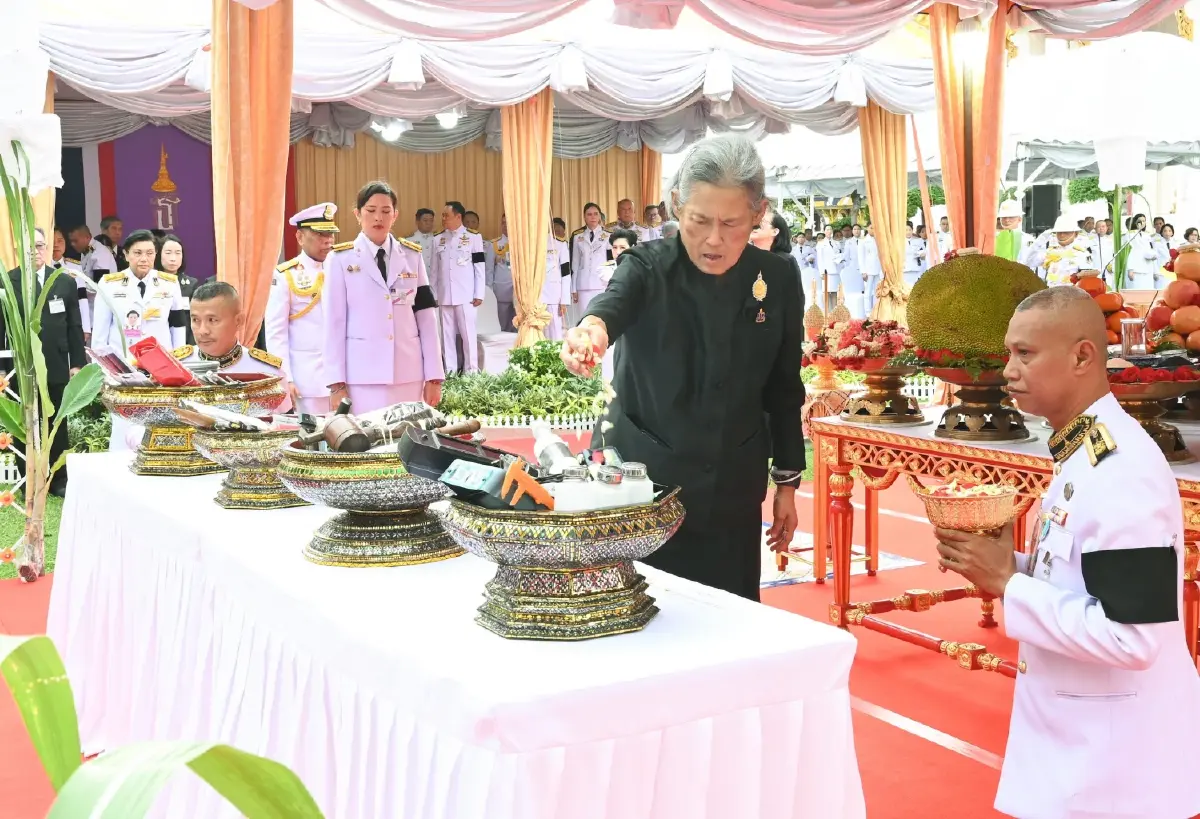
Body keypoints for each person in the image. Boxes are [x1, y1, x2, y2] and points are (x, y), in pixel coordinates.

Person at [934, 286, 1200, 819]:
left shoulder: (1119, 468)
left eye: (1025, 354)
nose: (1008, 370)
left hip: (1116, 766)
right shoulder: (1084, 449)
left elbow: (1133, 637)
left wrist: (1009, 584)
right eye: (1009, 353)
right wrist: (1007, 566)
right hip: (1085, 746)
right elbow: (1081, 577)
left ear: (1082, 357)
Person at [560, 134, 805, 601]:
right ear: (676, 204)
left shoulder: (774, 277)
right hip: (641, 487)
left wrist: (787, 484)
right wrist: (590, 333)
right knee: (641, 614)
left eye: (731, 223)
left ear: (758, 213)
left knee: (729, 616)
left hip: (731, 487)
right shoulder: (646, 266)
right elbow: (609, 308)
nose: (714, 239)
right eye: (699, 220)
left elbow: (783, 385)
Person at [323, 181, 444, 414]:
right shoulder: (340, 259)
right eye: (371, 210)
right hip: (362, 377)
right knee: (366, 436)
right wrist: (336, 384)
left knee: (407, 435)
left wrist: (434, 377)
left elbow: (427, 318)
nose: (378, 217)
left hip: (408, 374)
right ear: (357, 214)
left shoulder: (411, 256)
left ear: (395, 215)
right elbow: (333, 324)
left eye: (386, 211)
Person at [3, 228, 86, 497]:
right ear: (19, 249)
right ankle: (28, 480)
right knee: (24, 423)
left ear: (47, 247)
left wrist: (77, 363)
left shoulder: (63, 281)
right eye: (29, 247)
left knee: (57, 422)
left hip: (56, 362)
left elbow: (74, 325)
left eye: (39, 246)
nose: (35, 252)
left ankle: (59, 479)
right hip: (21, 365)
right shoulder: (7, 281)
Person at [264, 202, 339, 415]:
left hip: (342, 379)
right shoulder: (286, 275)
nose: (328, 240)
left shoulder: (342, 269)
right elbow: (276, 333)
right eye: (320, 234)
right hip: (307, 381)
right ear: (300, 237)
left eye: (330, 234)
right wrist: (285, 377)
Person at [92, 229, 186, 355]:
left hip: (161, 359)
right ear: (126, 254)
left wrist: (179, 359)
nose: (144, 259)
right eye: (138, 253)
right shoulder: (109, 284)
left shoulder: (170, 283)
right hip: (123, 359)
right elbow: (100, 331)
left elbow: (178, 326)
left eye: (149, 253)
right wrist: (100, 362)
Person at [432, 200, 485, 374]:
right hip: (445, 294)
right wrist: (434, 294)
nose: (443, 219)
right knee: (446, 336)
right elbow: (434, 271)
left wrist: (479, 293)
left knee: (468, 335)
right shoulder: (437, 239)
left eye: (446, 215)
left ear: (458, 217)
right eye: (442, 215)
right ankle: (450, 371)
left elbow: (479, 267)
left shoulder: (473, 237)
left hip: (466, 295)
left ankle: (471, 372)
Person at [1026, 214, 1094, 286]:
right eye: (1059, 232)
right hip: (1051, 291)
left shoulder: (1082, 254)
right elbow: (1029, 262)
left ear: (1076, 234)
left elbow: (1087, 281)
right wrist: (1038, 242)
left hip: (1071, 292)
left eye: (1066, 232)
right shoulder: (1051, 252)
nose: (1062, 235)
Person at [155, 233, 199, 344]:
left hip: (185, 343)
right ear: (159, 254)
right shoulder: (151, 282)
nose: (173, 258)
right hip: (158, 343)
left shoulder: (192, 284)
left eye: (178, 253)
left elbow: (197, 319)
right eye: (168, 253)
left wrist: (191, 347)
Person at [50, 228, 90, 344]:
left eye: (60, 241)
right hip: (49, 321)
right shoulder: (41, 266)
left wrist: (85, 327)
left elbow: (82, 297)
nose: (56, 245)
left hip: (71, 320)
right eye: (52, 241)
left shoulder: (75, 267)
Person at [570, 203, 611, 316]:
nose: (593, 217)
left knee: (600, 317)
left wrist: (611, 285)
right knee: (584, 317)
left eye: (595, 214)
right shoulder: (578, 236)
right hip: (583, 284)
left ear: (599, 216)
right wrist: (573, 288)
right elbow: (575, 263)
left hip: (601, 284)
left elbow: (611, 262)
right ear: (584, 217)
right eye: (589, 214)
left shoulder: (608, 235)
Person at [484, 214, 514, 332]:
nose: (505, 226)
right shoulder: (495, 244)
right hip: (501, 289)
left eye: (508, 222)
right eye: (503, 223)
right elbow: (489, 269)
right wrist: (489, 290)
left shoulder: (523, 243)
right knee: (502, 325)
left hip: (519, 291)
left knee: (520, 326)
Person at [542, 227, 572, 341]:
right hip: (534, 297)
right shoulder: (528, 244)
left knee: (555, 334)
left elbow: (565, 273)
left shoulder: (559, 244)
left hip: (553, 296)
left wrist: (564, 300)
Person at [995, 199, 1035, 269]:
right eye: (1004, 217)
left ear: (1019, 219)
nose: (1007, 220)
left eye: (1011, 217)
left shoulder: (1028, 239)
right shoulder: (993, 239)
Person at [1123, 213, 1159, 289]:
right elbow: (1129, 252)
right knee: (1136, 291)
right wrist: (1130, 269)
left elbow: (1151, 250)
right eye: (1140, 221)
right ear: (1135, 222)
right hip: (1136, 269)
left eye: (1144, 221)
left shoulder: (1147, 235)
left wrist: (1156, 271)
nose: (1142, 223)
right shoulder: (1130, 234)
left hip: (1148, 268)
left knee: (1148, 291)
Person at [841, 223, 864, 318]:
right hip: (853, 268)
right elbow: (846, 256)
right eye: (854, 229)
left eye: (858, 229)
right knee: (853, 290)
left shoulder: (864, 241)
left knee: (863, 291)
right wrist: (848, 268)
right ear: (852, 231)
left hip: (863, 268)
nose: (856, 231)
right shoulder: (849, 242)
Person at [859, 223, 882, 314]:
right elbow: (861, 257)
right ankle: (868, 312)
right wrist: (863, 271)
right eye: (871, 228)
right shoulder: (863, 241)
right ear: (867, 228)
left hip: (878, 268)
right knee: (868, 291)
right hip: (868, 269)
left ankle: (876, 310)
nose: (873, 230)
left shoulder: (879, 239)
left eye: (874, 228)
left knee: (877, 290)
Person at [407, 207, 437, 277]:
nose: (428, 223)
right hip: (417, 279)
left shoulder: (437, 239)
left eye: (431, 220)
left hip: (435, 280)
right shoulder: (409, 241)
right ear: (417, 222)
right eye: (425, 220)